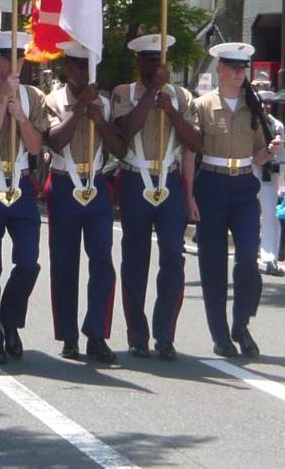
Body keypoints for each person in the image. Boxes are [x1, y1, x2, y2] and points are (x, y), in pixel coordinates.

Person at [112, 33, 200, 361]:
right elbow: (126, 129)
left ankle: (165, 334)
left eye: (159, 58)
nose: (155, 65)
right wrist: (151, 94)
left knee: (173, 260)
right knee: (135, 260)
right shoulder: (125, 93)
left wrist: (172, 111)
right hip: (135, 179)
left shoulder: (180, 96)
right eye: (148, 59)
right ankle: (137, 334)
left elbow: (194, 142)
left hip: (170, 180)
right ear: (139, 63)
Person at [190, 42, 281, 357]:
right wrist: (188, 193)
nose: (238, 73)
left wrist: (270, 151)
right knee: (212, 263)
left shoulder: (252, 108)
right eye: (232, 67)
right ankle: (220, 335)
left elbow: (257, 155)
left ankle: (240, 324)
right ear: (219, 68)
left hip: (243, 185)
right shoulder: (202, 105)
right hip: (211, 184)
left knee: (247, 259)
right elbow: (191, 150)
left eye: (243, 68)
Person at [43, 40, 127, 363]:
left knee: (103, 264)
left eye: (88, 65)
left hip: (96, 185)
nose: (83, 72)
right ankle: (67, 335)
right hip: (64, 184)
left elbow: (120, 150)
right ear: (66, 67)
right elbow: (56, 141)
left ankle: (96, 332)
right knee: (64, 264)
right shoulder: (53, 100)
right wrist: (79, 109)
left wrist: (100, 120)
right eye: (77, 65)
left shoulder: (104, 104)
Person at [0, 31, 49, 365]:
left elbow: (34, 146)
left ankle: (10, 320)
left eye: (18, 55)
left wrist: (19, 114)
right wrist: (2, 101)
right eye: (5, 56)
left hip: (21, 181)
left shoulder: (34, 96)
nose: (12, 62)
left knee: (28, 261)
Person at [254, 86, 285, 276]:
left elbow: (281, 155)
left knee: (269, 214)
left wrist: (282, 180)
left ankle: (269, 257)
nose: (266, 106)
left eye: (269, 103)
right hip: (250, 169)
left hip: (269, 173)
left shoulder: (277, 126)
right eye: (263, 102)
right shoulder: (249, 121)